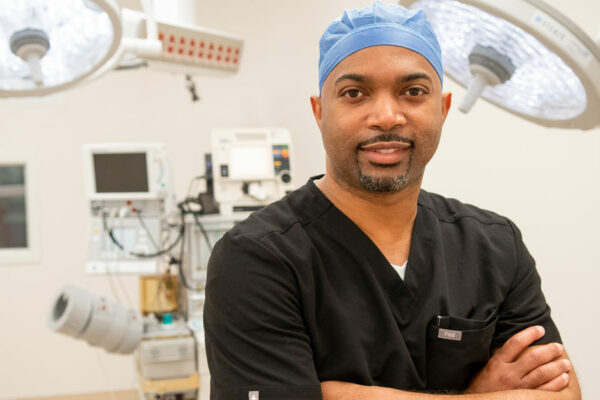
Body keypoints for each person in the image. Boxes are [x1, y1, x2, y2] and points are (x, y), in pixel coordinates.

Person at [204, 2, 581, 399]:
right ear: (319, 113)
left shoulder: (494, 246)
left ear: (443, 109)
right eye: (354, 93)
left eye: (413, 92)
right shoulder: (256, 257)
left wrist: (333, 393)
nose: (386, 116)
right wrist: (473, 394)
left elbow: (562, 393)